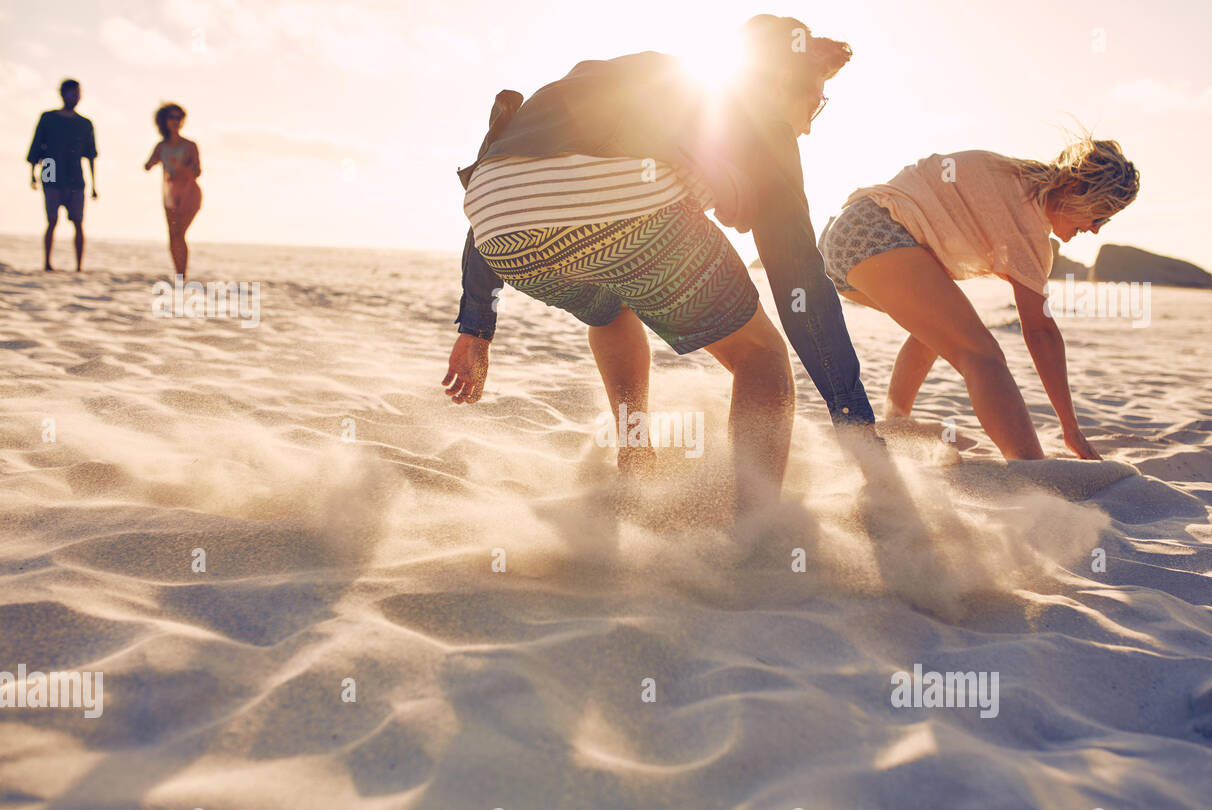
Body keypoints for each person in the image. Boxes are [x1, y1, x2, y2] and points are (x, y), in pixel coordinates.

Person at [444, 15, 875, 513]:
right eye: (815, 103)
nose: (808, 123)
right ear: (783, 81)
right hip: (621, 201)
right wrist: (852, 419)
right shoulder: (758, 113)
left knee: (611, 313)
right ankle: (756, 529)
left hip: (497, 224)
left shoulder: (647, 79)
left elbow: (508, 182)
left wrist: (476, 330)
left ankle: (637, 460)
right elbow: (798, 278)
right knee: (761, 356)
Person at [818, 137, 1140, 460]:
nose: (1096, 229)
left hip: (844, 239)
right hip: (873, 233)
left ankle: (896, 422)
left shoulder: (1010, 174)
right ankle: (1031, 471)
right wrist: (1071, 430)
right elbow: (1041, 333)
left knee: (939, 329)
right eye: (1099, 214)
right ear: (1073, 187)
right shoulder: (1026, 223)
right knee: (982, 354)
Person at [26, 79, 98, 272]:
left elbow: (91, 155)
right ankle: (47, 263)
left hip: (75, 175)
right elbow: (36, 146)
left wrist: (94, 186)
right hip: (49, 169)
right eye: (71, 93)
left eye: (77, 94)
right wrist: (32, 174)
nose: (74, 97)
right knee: (51, 220)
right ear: (62, 94)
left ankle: (78, 266)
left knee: (78, 222)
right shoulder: (48, 118)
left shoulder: (85, 123)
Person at [144, 104, 202, 278]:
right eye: (172, 117)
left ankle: (183, 273)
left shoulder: (190, 145)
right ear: (164, 121)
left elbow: (197, 173)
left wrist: (180, 167)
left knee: (179, 234)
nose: (175, 121)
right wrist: (151, 163)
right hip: (170, 193)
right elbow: (148, 164)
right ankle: (178, 272)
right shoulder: (161, 146)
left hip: (189, 193)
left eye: (179, 117)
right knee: (172, 235)